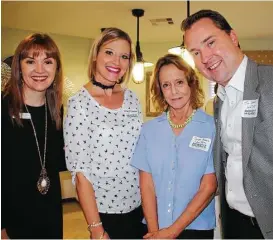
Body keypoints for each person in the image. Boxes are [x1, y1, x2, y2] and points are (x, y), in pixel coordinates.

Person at [181, 9, 273, 239]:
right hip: (234, 222)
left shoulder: (269, 82)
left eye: (210, 43)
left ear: (233, 37)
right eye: (196, 52)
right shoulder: (220, 100)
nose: (205, 57)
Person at [64, 27, 146, 239]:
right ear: (96, 55)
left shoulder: (132, 98)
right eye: (109, 52)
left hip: (141, 206)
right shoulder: (79, 104)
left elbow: (143, 155)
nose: (116, 62)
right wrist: (97, 229)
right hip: (105, 212)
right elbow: (80, 175)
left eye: (124, 56)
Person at [131, 54, 217, 239]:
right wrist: (155, 232)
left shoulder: (211, 127)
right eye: (166, 85)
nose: (174, 91)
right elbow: (147, 186)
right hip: (155, 228)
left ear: (191, 84)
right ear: (160, 90)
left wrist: (172, 232)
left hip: (196, 229)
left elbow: (208, 186)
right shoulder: (149, 130)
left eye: (179, 82)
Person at [1, 33, 66, 239]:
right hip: (12, 223)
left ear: (56, 69)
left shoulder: (56, 111)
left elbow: (56, 161)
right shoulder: (4, 109)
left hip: (50, 217)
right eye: (31, 61)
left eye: (47, 61)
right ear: (19, 68)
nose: (40, 70)